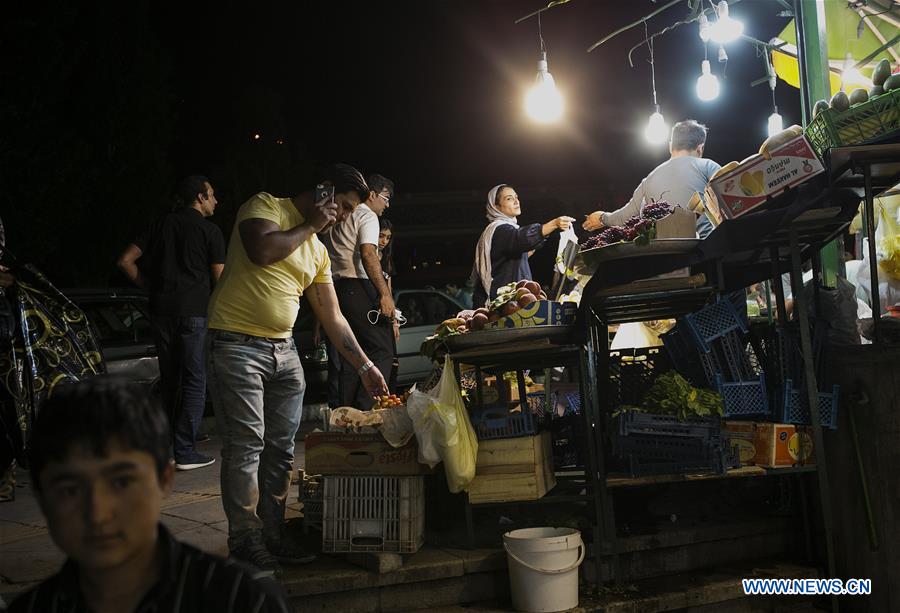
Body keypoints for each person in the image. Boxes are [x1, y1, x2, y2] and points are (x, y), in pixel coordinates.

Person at [206, 163, 388, 575]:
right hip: (236, 344)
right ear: (322, 190)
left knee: (281, 449)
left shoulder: (318, 253)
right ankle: (245, 540)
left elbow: (333, 317)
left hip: (285, 353)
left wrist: (365, 366)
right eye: (341, 206)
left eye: (347, 211)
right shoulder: (266, 206)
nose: (341, 216)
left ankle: (272, 533)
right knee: (246, 445)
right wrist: (311, 223)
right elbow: (262, 250)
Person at [8, 377, 289, 613]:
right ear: (42, 496)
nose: (97, 512)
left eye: (121, 483)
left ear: (164, 480)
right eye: (70, 490)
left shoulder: (243, 600)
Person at [117, 176, 226, 472]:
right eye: (212, 195)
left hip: (161, 311)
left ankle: (164, 450)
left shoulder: (160, 224)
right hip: (194, 313)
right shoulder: (210, 231)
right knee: (194, 381)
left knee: (170, 381)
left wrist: (150, 289)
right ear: (200, 198)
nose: (216, 200)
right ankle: (186, 451)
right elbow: (221, 279)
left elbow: (125, 261)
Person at [319, 174, 396, 409]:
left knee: (351, 354)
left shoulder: (338, 215)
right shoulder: (366, 215)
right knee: (383, 349)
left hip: (335, 287)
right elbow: (368, 254)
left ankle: (347, 414)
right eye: (385, 198)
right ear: (372, 195)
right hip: (357, 285)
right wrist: (385, 294)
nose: (387, 205)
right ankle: (367, 410)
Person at [583, 119, 721, 239]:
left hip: (666, 257)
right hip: (707, 253)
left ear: (670, 146)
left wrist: (602, 218)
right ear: (700, 148)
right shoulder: (707, 166)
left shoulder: (649, 179)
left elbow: (624, 217)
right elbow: (732, 200)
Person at [472, 184, 574, 307]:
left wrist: (540, 238)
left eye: (516, 197)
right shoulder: (499, 229)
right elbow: (521, 239)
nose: (516, 201)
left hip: (513, 303)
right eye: (509, 198)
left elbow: (523, 246)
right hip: (501, 305)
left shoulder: (504, 230)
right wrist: (554, 224)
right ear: (496, 206)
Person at [378, 217, 400, 390]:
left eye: (387, 237)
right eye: (381, 236)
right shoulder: (366, 256)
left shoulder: (386, 260)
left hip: (386, 315)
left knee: (392, 359)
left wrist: (394, 321)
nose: (384, 241)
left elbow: (389, 292)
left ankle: (388, 396)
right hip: (370, 315)